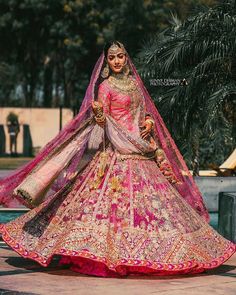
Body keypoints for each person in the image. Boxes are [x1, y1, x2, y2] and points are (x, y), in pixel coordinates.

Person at [0, 41, 235, 277]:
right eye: (112, 58)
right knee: (106, 207)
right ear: (107, 62)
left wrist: (149, 122)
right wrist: (100, 116)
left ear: (126, 58)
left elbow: (144, 112)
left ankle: (155, 253)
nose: (116, 61)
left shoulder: (134, 85)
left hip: (139, 152)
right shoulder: (105, 86)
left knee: (153, 209)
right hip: (113, 154)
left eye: (120, 57)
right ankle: (102, 253)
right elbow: (101, 120)